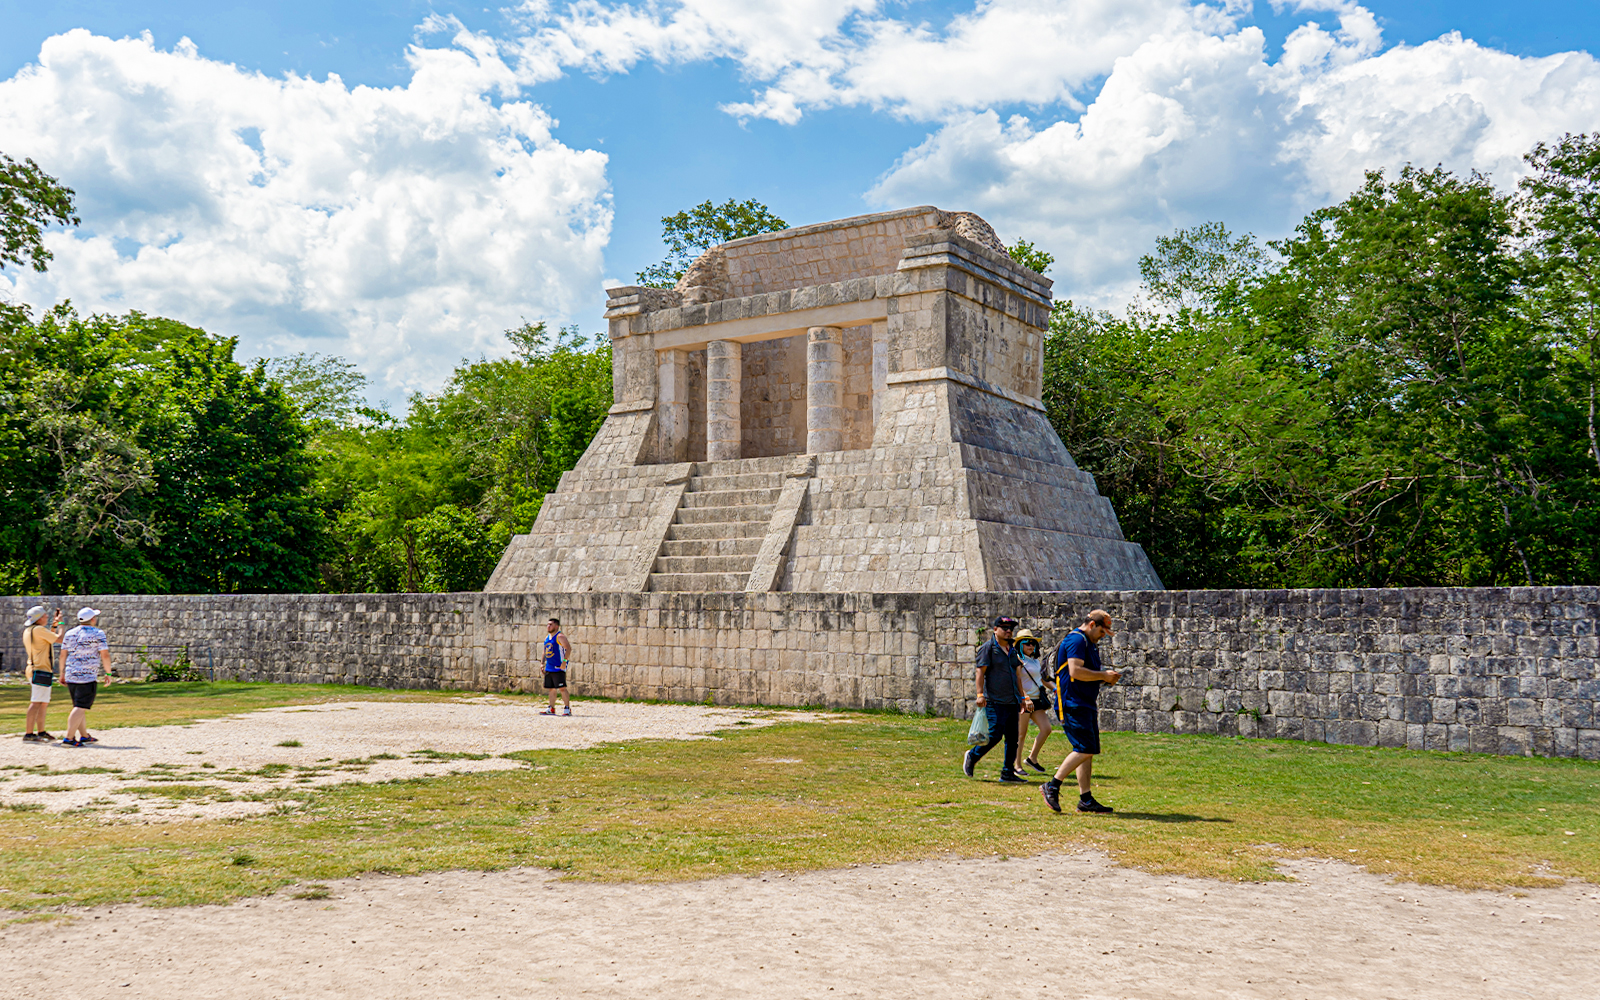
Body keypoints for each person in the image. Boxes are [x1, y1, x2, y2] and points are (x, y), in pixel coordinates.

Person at [1041, 610, 1121, 814]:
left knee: (1087, 751)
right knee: (1085, 748)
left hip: (1085, 702)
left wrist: (1105, 678)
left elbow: (1086, 674)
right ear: (1092, 625)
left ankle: (1085, 799)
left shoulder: (1089, 643)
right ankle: (1052, 785)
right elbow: (1075, 671)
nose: (1103, 637)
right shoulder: (1077, 640)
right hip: (1072, 703)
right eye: (1103, 632)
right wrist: (1104, 675)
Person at [963, 616, 1035, 783]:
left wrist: (1023, 696)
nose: (1008, 631)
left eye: (1010, 628)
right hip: (994, 700)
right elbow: (980, 672)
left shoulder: (1012, 650)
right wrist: (980, 694)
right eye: (1004, 627)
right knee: (994, 735)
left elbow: (1018, 676)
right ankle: (972, 756)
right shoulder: (988, 649)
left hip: (1012, 701)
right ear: (995, 629)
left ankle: (1007, 772)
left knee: (1012, 739)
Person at [59, 607, 111, 747]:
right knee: (81, 706)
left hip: (71, 674)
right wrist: (108, 672)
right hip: (87, 675)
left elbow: (63, 654)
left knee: (79, 705)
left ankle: (84, 736)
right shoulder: (98, 633)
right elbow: (104, 654)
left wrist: (62, 672)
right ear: (92, 619)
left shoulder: (70, 633)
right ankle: (69, 738)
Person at [1012, 628, 1053, 775]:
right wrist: (1025, 697)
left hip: (1036, 701)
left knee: (1046, 728)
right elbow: (1016, 681)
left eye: (1033, 643)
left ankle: (1032, 758)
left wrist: (1055, 689)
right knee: (1021, 734)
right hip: (1024, 702)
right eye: (1027, 643)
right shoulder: (1017, 659)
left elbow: (1041, 679)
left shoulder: (1035, 660)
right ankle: (1016, 765)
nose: (1031, 646)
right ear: (1020, 645)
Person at [22, 606, 63, 743]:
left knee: (43, 702)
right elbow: (60, 639)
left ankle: (41, 731)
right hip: (39, 670)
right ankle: (29, 734)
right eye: (45, 616)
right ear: (39, 618)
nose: (47, 617)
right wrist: (61, 623)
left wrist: (54, 625)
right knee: (36, 702)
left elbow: (48, 639)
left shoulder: (31, 630)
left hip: (40, 669)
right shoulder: (38, 630)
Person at [539, 617, 572, 716]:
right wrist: (542, 663)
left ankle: (567, 709)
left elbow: (568, 648)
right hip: (549, 666)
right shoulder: (547, 638)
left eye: (551, 625)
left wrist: (564, 662)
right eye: (548, 624)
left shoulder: (560, 636)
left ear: (556, 626)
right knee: (551, 688)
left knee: (562, 688)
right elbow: (545, 651)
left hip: (558, 666)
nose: (548, 626)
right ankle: (551, 708)